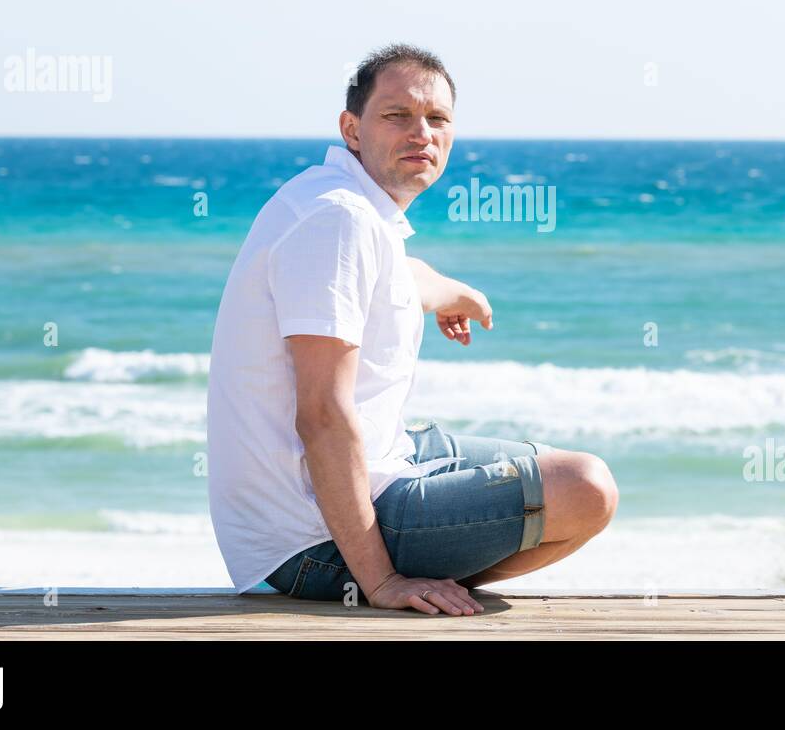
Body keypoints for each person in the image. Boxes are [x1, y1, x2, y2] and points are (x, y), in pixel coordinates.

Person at [206, 43, 618, 615]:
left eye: (437, 119)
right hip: (306, 539)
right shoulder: (337, 222)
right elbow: (322, 415)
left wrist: (456, 293)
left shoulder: (341, 203)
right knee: (585, 488)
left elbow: (402, 276)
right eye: (397, 115)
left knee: (547, 468)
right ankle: (397, 577)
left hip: (382, 459)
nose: (421, 132)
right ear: (352, 128)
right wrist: (379, 585)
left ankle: (429, 578)